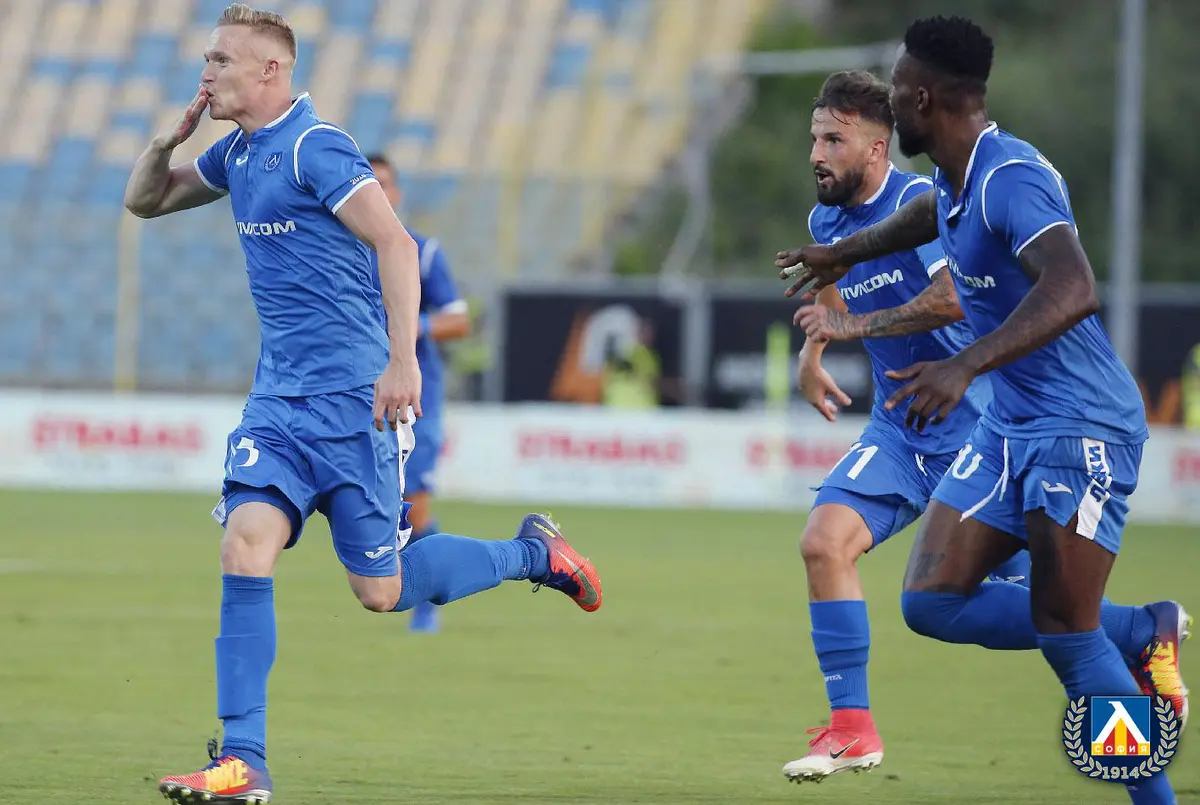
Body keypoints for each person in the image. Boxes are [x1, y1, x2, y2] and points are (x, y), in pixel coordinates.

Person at [123, 6, 601, 803]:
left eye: (222, 60)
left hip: (353, 404)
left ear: (271, 70)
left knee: (380, 589)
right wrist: (161, 145)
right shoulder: (235, 152)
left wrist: (403, 359)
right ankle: (243, 759)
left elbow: (396, 243)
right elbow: (146, 201)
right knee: (244, 545)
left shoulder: (316, 145)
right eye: (206, 58)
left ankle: (534, 554)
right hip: (278, 404)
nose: (207, 73)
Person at [778, 16, 1186, 803]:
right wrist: (843, 254)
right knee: (931, 601)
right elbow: (928, 215)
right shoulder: (957, 182)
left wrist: (964, 363)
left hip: (1079, 427)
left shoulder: (1010, 176)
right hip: (1010, 427)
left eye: (899, 87)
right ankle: (1139, 630)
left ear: (924, 98)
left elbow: (1074, 286)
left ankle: (1153, 785)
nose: (893, 100)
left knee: (1069, 634)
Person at [781, 69, 1031, 783]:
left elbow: (953, 298)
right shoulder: (826, 220)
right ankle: (852, 729)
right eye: (814, 138)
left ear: (877, 146)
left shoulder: (922, 203)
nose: (817, 154)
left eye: (834, 140)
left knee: (1044, 608)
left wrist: (852, 327)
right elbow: (832, 291)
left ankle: (1136, 635)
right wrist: (812, 354)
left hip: (977, 433)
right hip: (899, 431)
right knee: (823, 542)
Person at [367, 153, 471, 634]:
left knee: (414, 502)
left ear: (397, 192)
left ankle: (428, 600)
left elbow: (458, 320)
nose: (378, 192)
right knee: (378, 504)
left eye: (384, 184)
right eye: (368, 183)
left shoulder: (421, 252)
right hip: (359, 395)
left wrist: (410, 327)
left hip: (414, 397)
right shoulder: (338, 252)